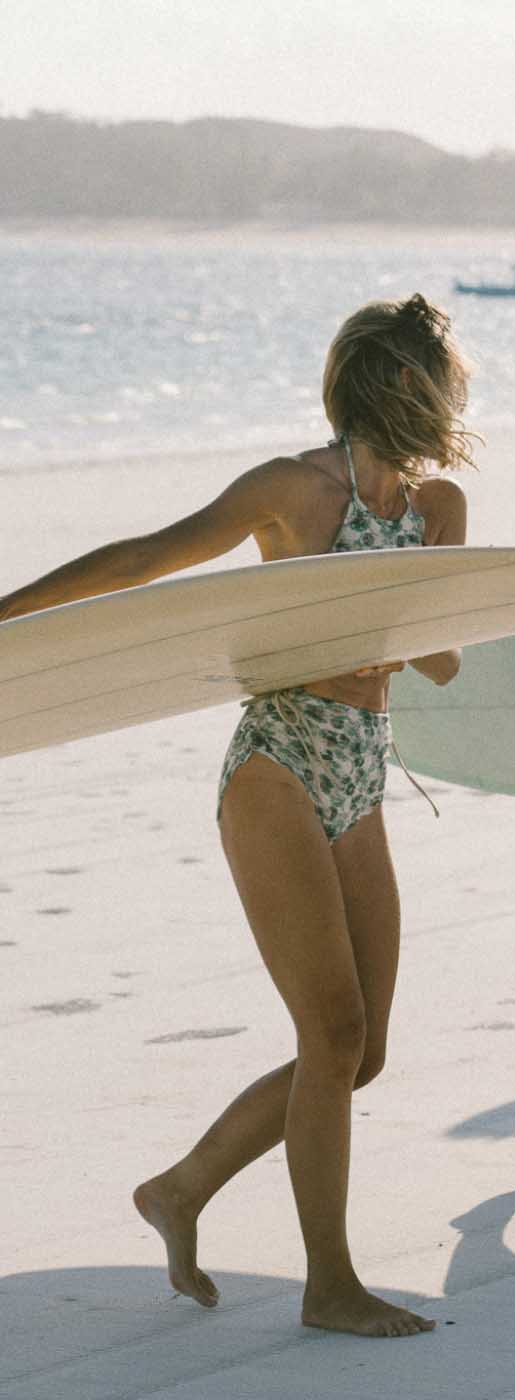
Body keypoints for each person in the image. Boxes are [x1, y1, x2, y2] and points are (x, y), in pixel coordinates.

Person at [0, 293, 471, 1338]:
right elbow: (142, 562)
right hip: (280, 761)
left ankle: (179, 1187)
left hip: (363, 768)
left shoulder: (437, 510)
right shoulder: (292, 488)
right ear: (402, 381)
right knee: (332, 1030)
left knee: (364, 1047)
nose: (452, 395)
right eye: (442, 375)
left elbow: (442, 654)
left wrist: (403, 629)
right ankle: (329, 1282)